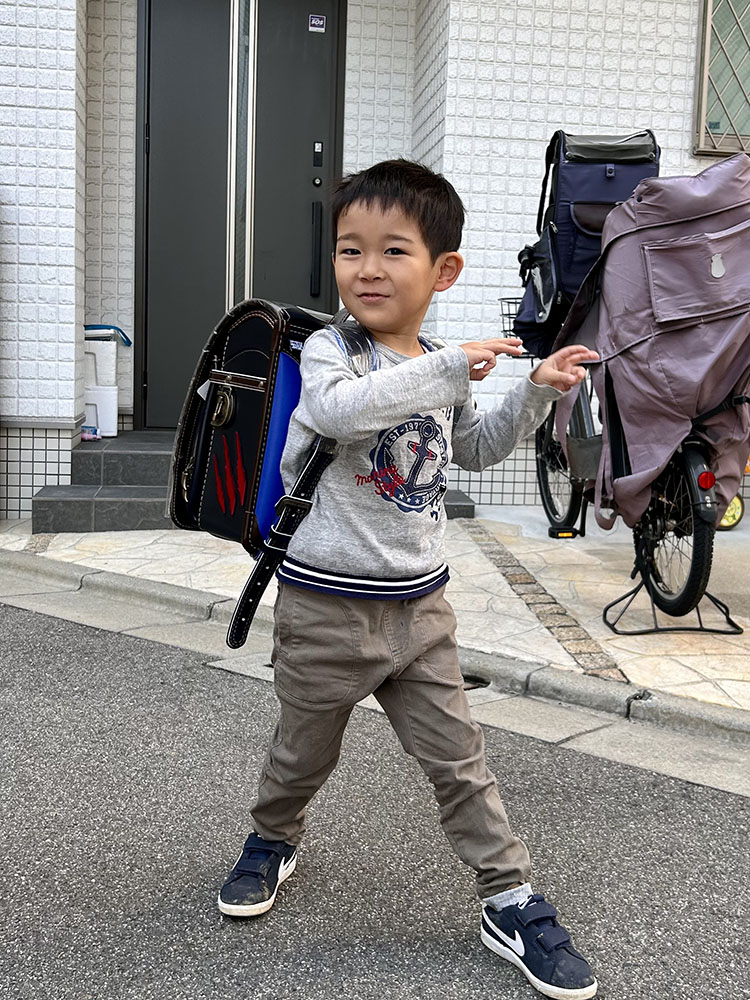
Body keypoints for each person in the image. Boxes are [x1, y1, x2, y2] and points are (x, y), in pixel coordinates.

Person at [218, 159, 599, 1000]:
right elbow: (338, 412)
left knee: (462, 763)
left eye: (394, 250)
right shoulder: (332, 350)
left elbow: (475, 450)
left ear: (443, 270)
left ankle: (510, 898)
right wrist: (452, 367)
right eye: (350, 249)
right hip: (324, 609)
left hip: (421, 613)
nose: (367, 268)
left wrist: (534, 392)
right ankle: (272, 839)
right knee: (301, 754)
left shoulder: (434, 360)